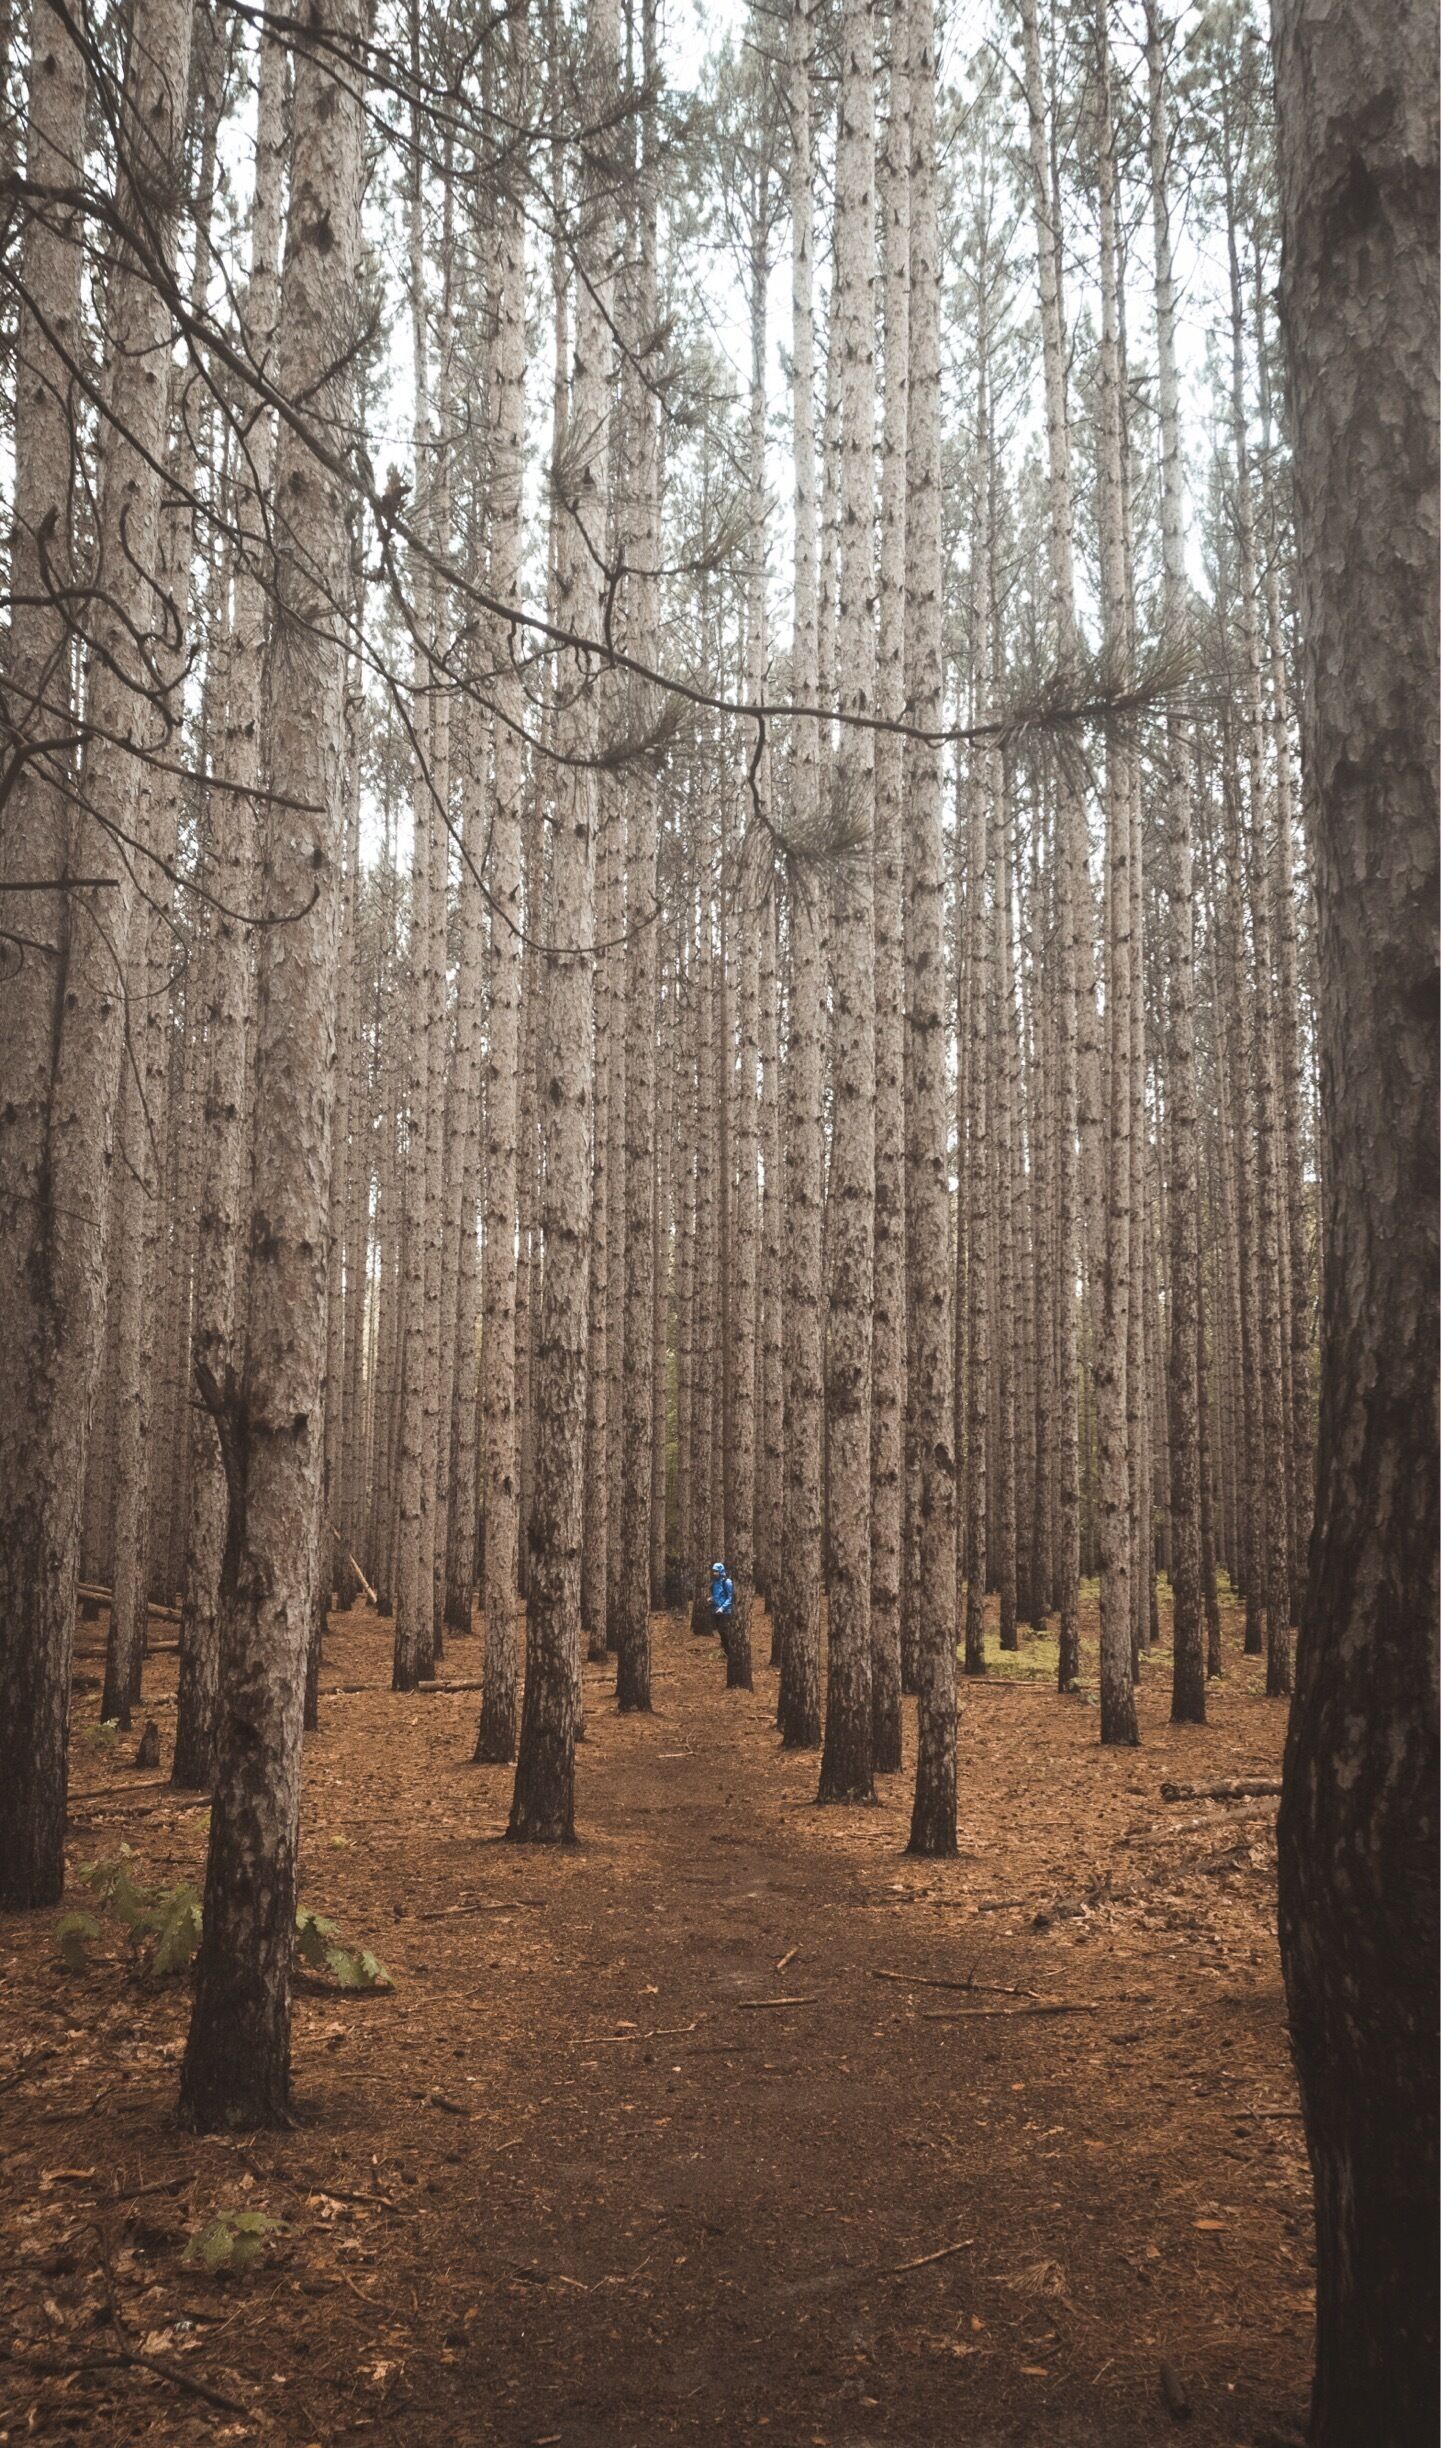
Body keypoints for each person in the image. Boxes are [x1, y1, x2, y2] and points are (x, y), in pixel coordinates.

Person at [709, 1559, 734, 1642]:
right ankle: (724, 1647)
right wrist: (711, 1598)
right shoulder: (715, 1582)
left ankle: (728, 1649)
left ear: (721, 1571)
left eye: (716, 1571)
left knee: (724, 1630)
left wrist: (723, 1608)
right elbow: (717, 1595)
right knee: (719, 1630)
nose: (714, 1573)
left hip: (725, 1611)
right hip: (716, 1610)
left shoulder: (727, 1582)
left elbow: (730, 1597)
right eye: (714, 1571)